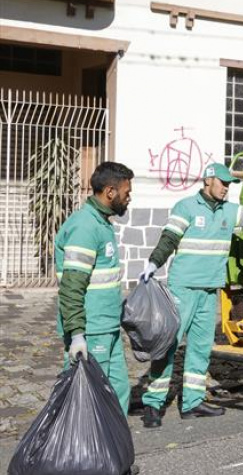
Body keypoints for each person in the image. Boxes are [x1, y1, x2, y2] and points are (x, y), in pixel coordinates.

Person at [138, 163, 243, 428]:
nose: (226, 188)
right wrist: (154, 263)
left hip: (209, 289)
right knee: (168, 345)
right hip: (184, 288)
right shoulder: (186, 207)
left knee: (201, 348)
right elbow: (169, 238)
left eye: (229, 185)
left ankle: (192, 403)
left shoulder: (230, 211)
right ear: (208, 181)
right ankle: (153, 403)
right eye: (223, 183)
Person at [55, 161, 134, 415]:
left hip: (107, 326)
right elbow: (71, 288)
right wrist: (77, 334)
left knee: (118, 389)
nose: (128, 197)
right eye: (126, 192)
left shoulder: (101, 223)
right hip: (91, 330)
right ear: (110, 192)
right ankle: (87, 452)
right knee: (90, 399)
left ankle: (112, 447)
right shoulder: (85, 227)